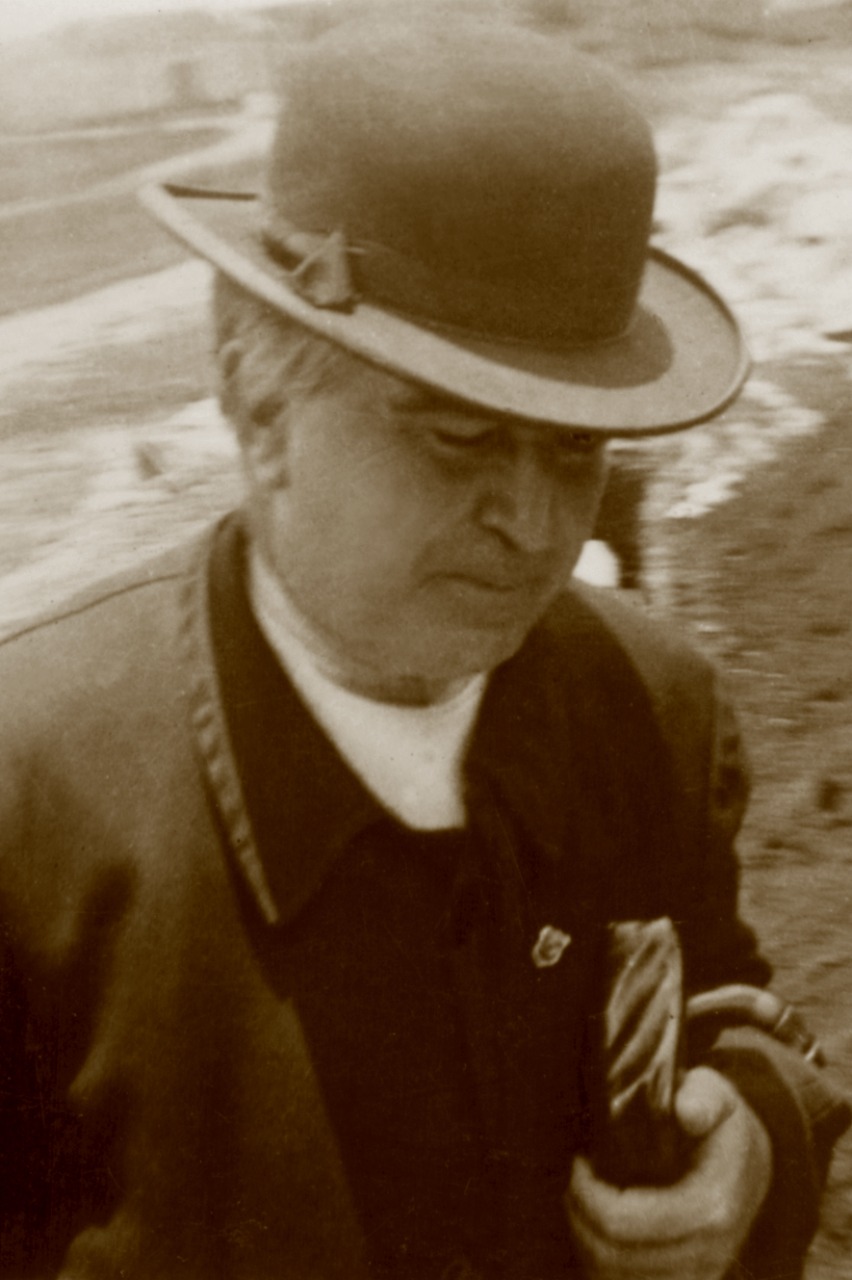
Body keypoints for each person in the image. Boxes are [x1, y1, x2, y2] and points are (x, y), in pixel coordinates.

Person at [0, 10, 847, 1280]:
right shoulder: (30, 798)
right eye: (456, 437)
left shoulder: (652, 705)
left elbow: (722, 997)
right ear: (257, 397)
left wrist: (755, 1140)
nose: (534, 522)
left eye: (578, 446)